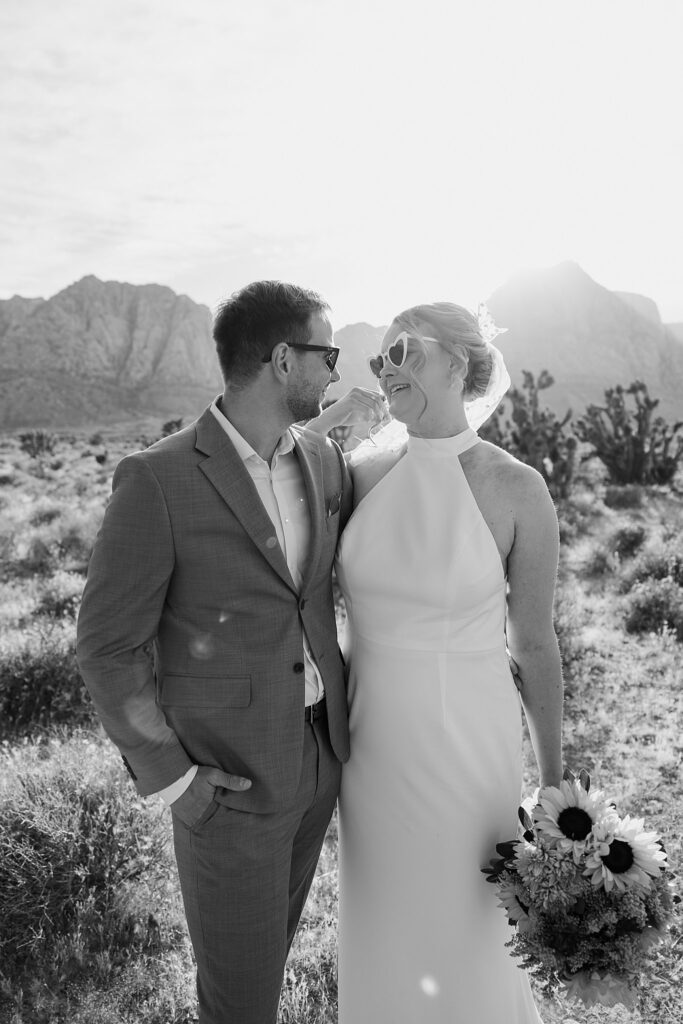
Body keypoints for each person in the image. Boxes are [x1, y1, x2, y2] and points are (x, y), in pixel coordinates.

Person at [76, 280, 362, 1024]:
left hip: (317, 760)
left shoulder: (323, 463)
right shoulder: (158, 479)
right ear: (280, 359)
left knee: (266, 972)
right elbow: (107, 647)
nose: (333, 371)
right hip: (227, 787)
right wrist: (173, 779)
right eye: (325, 354)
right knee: (238, 1006)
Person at [329, 302, 564, 1023]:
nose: (387, 368)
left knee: (470, 924)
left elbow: (533, 641)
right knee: (387, 927)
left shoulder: (517, 487)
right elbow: (257, 495)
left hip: (471, 746)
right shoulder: (356, 476)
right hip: (369, 748)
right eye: (380, 359)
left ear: (458, 362)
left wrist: (554, 782)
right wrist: (332, 422)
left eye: (403, 350)